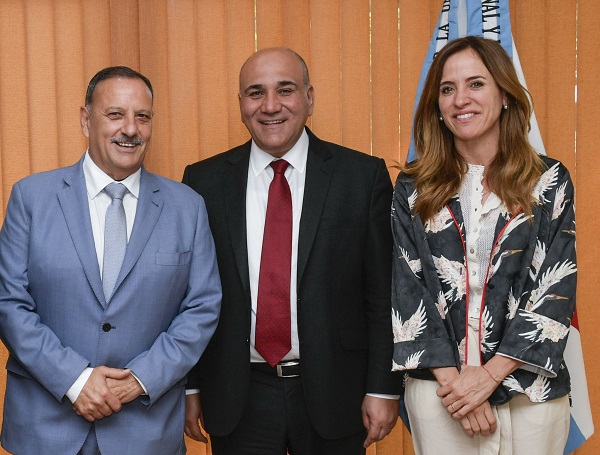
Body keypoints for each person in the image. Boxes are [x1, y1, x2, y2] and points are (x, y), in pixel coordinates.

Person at [182, 47, 400, 455]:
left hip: (337, 391)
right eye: (255, 93)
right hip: (237, 394)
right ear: (241, 104)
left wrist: (383, 388)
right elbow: (190, 294)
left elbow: (383, 293)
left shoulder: (362, 177)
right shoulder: (203, 182)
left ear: (309, 98)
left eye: (285, 90)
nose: (270, 106)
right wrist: (190, 385)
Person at [0, 66, 222, 455]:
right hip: (45, 429)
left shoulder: (188, 207)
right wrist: (74, 380)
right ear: (86, 120)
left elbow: (202, 308)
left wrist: (140, 379)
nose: (131, 129)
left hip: (146, 431)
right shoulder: (31, 198)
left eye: (143, 116)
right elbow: (9, 303)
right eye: (115, 114)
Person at [391, 36, 576, 454]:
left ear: (505, 95)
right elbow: (406, 289)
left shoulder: (549, 181)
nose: (461, 99)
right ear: (437, 106)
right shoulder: (413, 187)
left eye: (476, 83)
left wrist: (488, 377)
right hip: (441, 392)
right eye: (447, 89)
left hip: (529, 389)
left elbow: (555, 289)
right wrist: (458, 388)